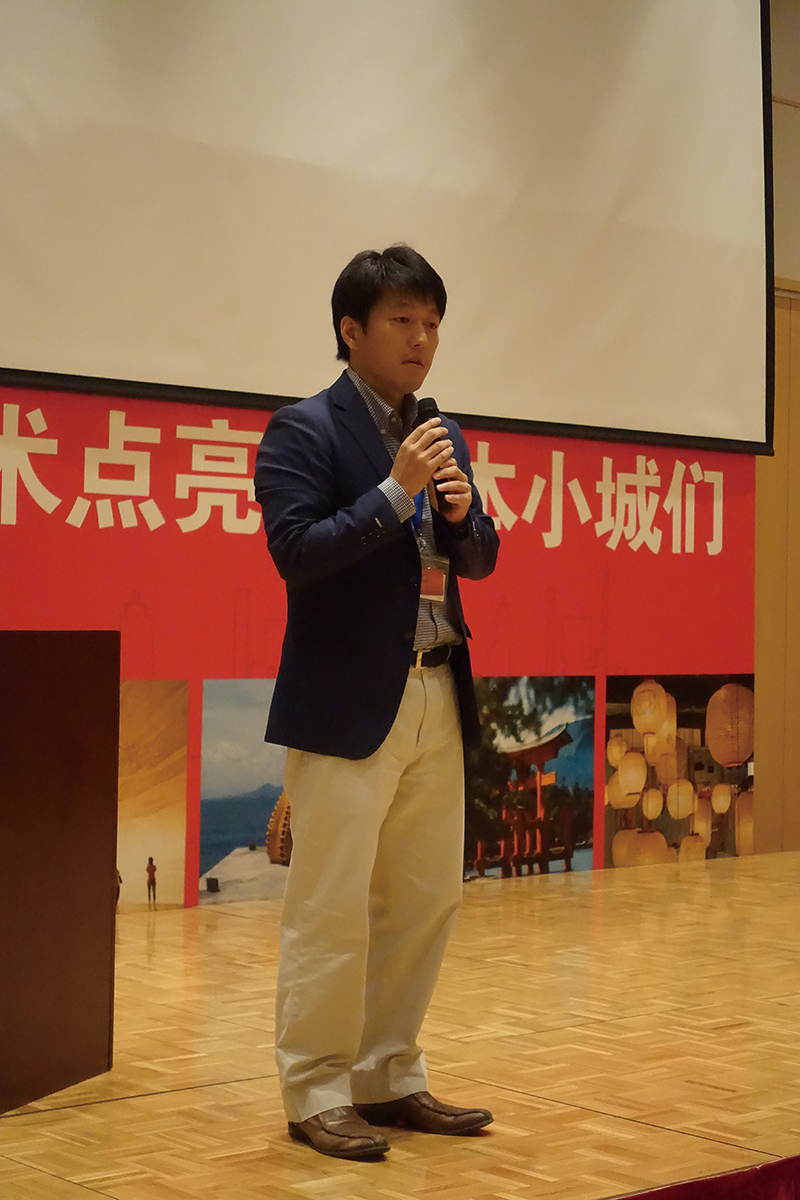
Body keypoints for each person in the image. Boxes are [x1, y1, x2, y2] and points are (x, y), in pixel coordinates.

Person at [254, 244, 500, 1161]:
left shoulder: (442, 433)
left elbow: (479, 559)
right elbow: (298, 553)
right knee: (330, 906)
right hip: (347, 702)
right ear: (350, 330)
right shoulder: (303, 431)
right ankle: (316, 1090)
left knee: (425, 901)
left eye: (432, 323)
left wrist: (462, 516)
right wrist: (398, 490)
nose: (422, 339)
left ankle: (388, 1073)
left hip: (438, 688)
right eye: (403, 320)